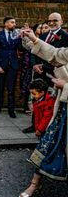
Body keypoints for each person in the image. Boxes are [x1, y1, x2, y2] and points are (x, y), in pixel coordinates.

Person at [19, 29, 68, 197]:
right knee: (47, 144)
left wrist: (65, 86)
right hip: (63, 110)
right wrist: (34, 40)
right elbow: (55, 54)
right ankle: (34, 184)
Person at [0, 16, 22, 118]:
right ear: (6, 24)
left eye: (14, 23)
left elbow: (21, 49)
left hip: (13, 65)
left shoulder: (17, 35)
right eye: (12, 22)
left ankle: (11, 110)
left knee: (11, 89)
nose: (14, 24)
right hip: (1, 65)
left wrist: (23, 38)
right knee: (0, 88)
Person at [31, 13, 68, 88]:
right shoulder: (43, 35)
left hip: (53, 74)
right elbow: (34, 50)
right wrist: (34, 64)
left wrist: (43, 66)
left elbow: (62, 57)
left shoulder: (66, 36)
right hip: (38, 73)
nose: (51, 23)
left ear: (61, 21)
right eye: (49, 21)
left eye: (55, 21)